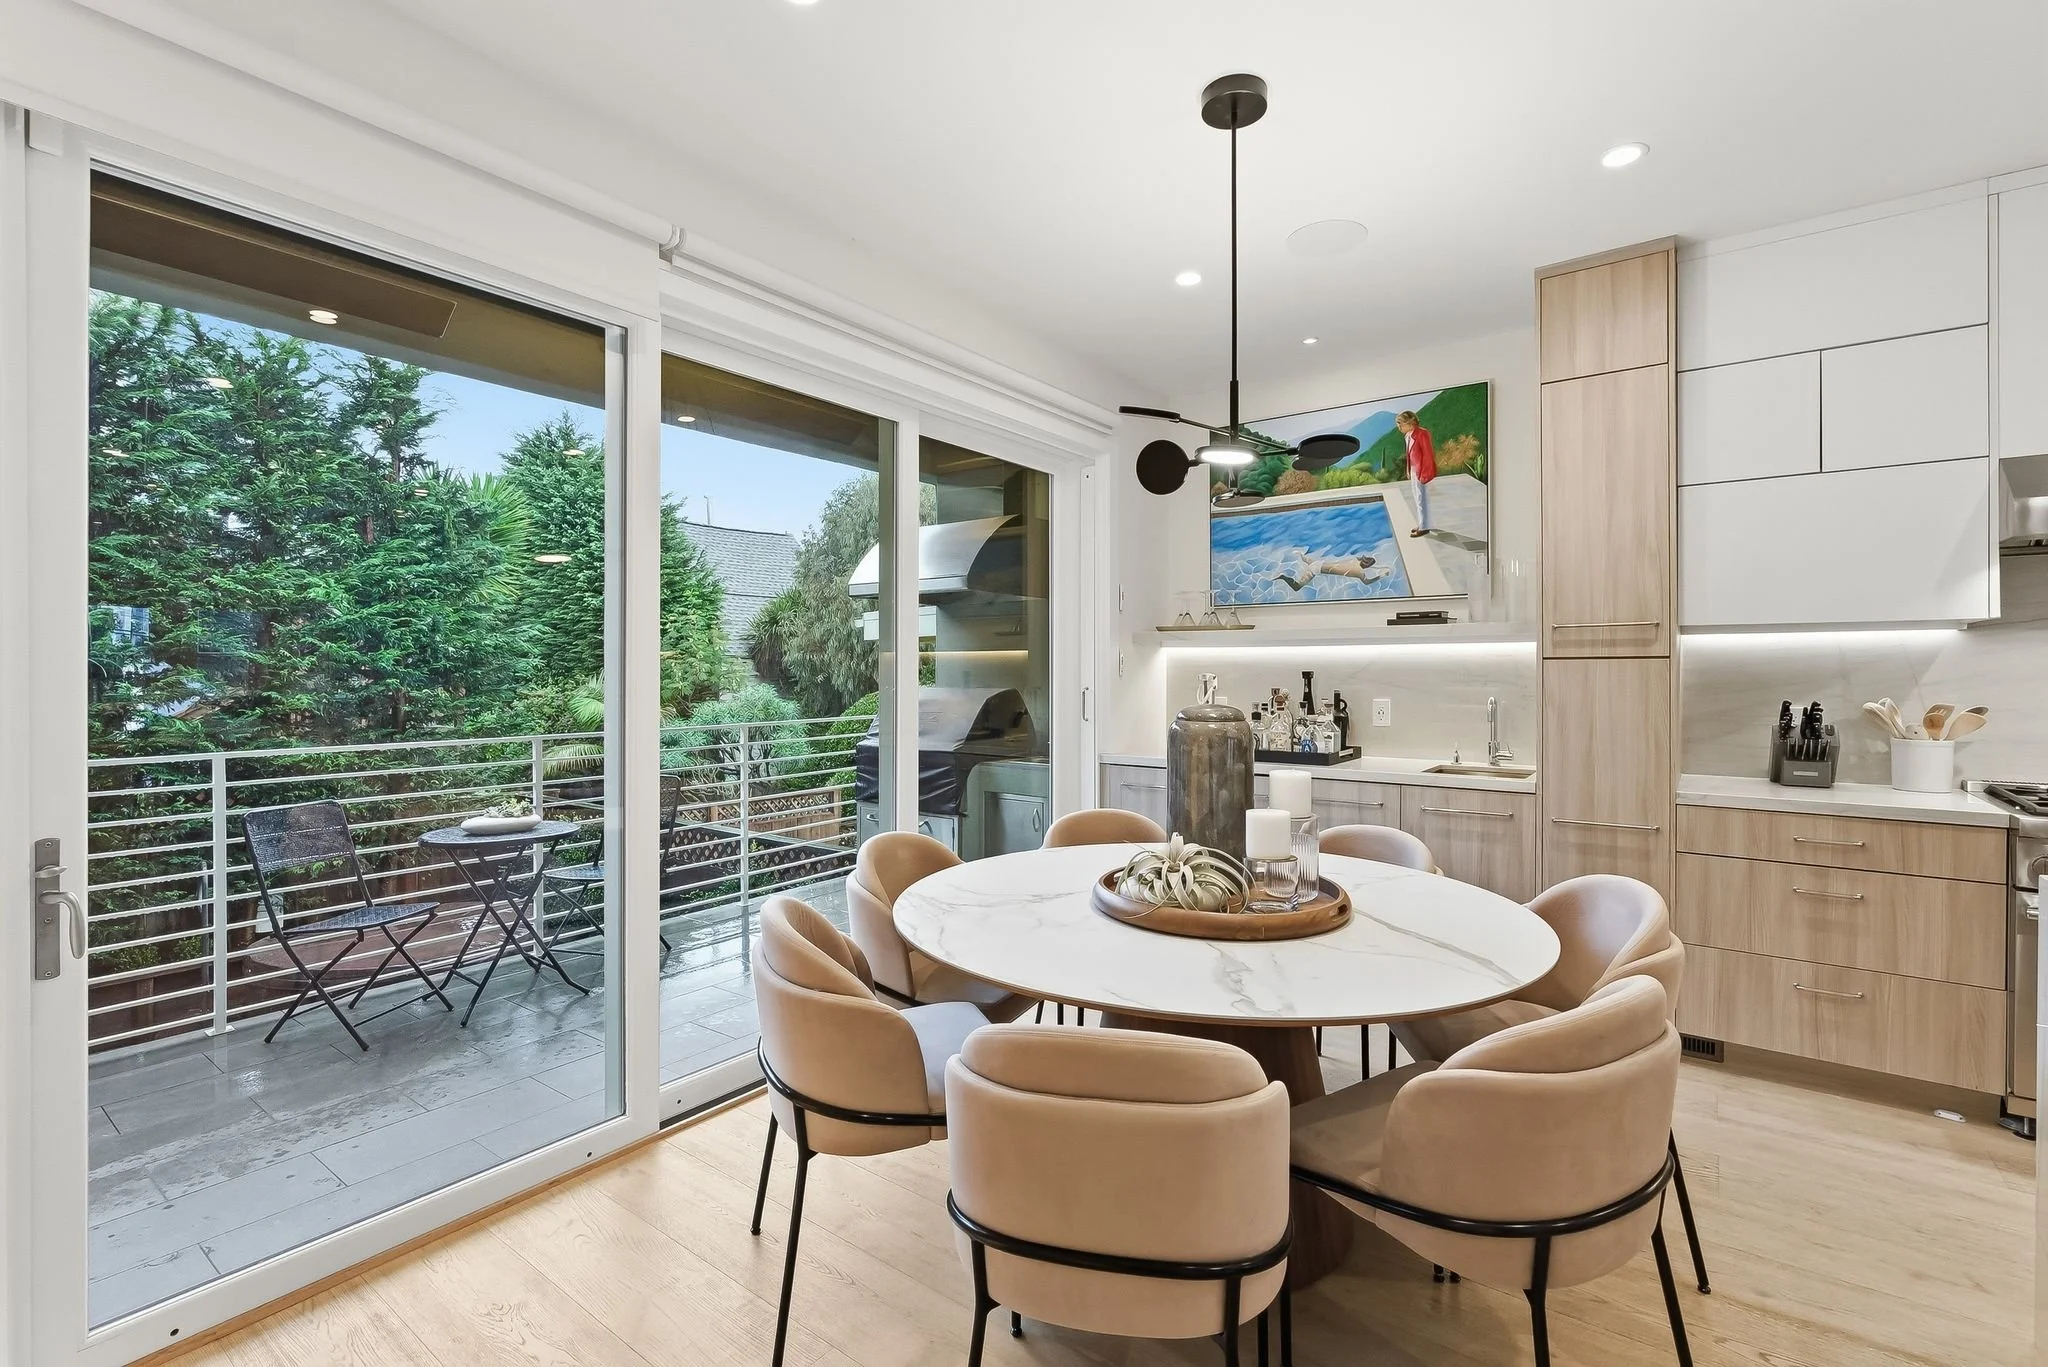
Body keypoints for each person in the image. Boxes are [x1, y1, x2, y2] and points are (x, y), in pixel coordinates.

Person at [1395, 409, 1436, 537]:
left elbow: (1428, 455)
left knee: (1421, 498)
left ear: (1409, 423)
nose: (1399, 427)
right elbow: (1409, 455)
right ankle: (1423, 523)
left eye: (1401, 424)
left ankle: (1424, 527)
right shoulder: (1408, 436)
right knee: (1417, 497)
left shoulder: (1422, 434)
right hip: (1413, 470)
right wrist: (1408, 470)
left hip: (1421, 471)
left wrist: (1424, 473)